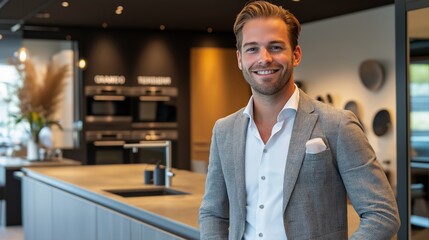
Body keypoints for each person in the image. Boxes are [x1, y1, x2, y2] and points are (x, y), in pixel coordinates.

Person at [199, 1, 400, 239]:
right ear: (240, 59)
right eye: (252, 49)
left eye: (275, 47)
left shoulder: (337, 125)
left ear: (296, 55)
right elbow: (213, 213)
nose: (264, 59)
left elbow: (382, 214)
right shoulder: (224, 131)